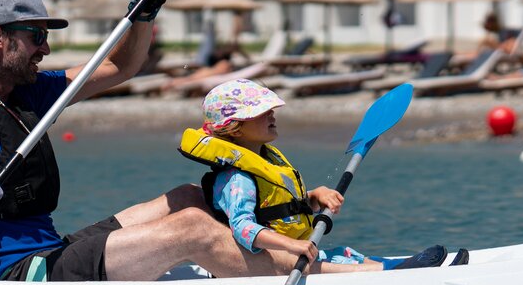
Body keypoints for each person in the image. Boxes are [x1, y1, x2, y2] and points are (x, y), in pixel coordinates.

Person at [0, 0, 407, 283]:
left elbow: (121, 68)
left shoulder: (30, 91)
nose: (46, 48)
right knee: (195, 230)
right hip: (10, 275)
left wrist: (144, 14)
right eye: (36, 36)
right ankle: (336, 277)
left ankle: (246, 264)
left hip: (50, 248)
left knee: (188, 197)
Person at [181, 79, 457, 274]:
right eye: (261, 112)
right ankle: (398, 272)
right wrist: (291, 244)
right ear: (235, 128)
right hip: (272, 261)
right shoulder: (236, 178)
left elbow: (280, 208)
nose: (272, 114)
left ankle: (403, 267)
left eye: (270, 109)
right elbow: (243, 228)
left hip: (300, 250)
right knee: (341, 265)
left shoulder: (268, 160)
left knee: (348, 255)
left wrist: (314, 197)